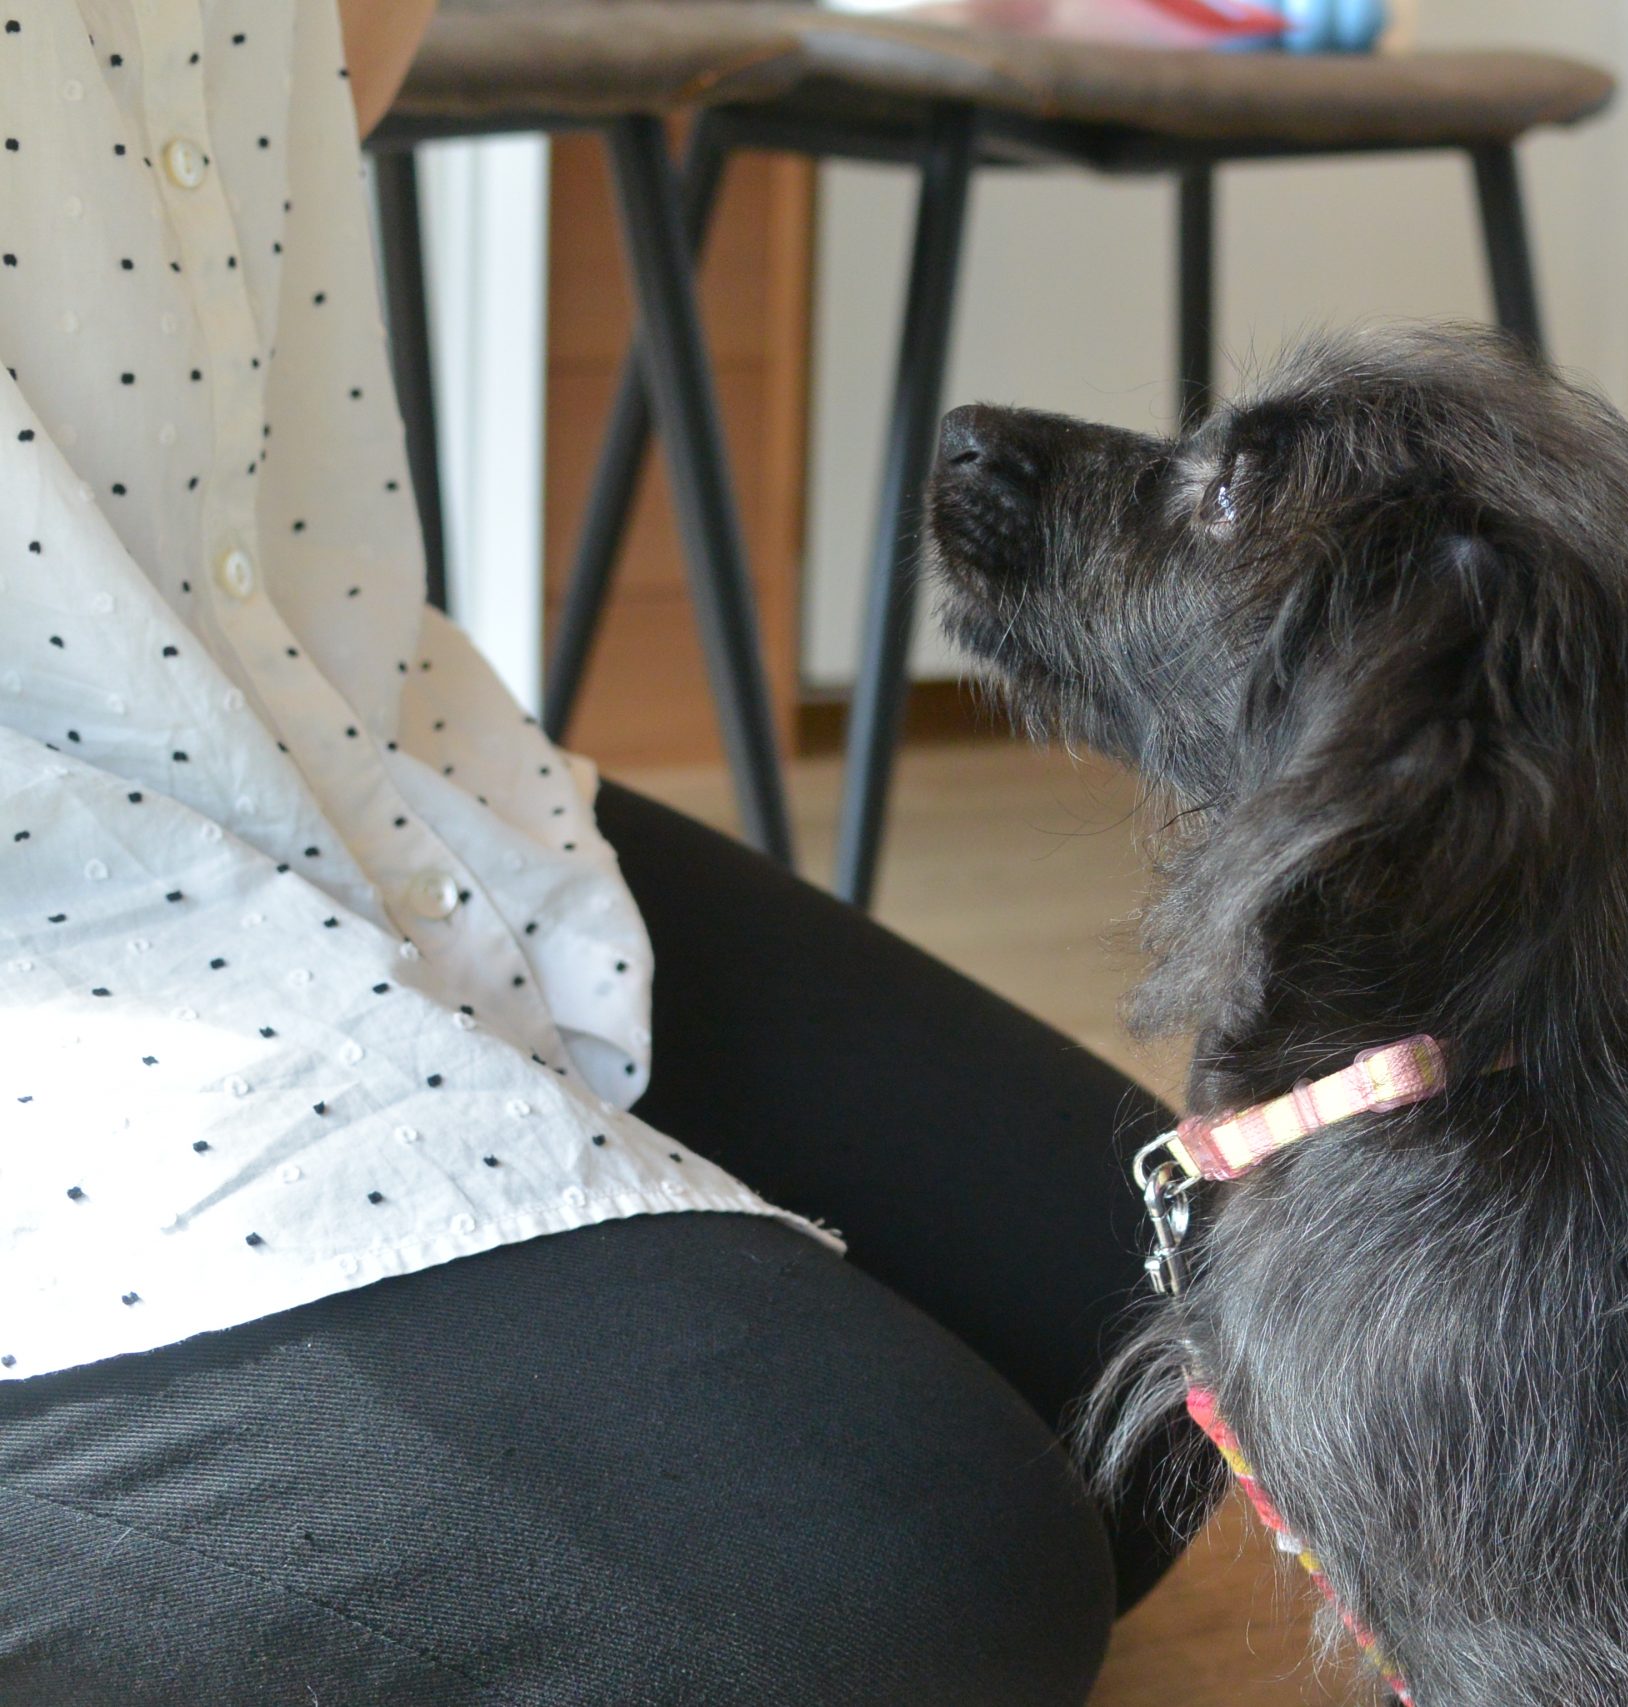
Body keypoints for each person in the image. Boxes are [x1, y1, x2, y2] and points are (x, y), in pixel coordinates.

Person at [0, 3, 1187, 1699]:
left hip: (304, 732)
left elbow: (327, 62)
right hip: (46, 901)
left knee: (1152, 1334)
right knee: (886, 1586)